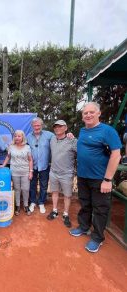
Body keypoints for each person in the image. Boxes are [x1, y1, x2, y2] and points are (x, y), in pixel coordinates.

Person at [70, 102, 122, 253]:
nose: (88, 115)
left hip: (100, 178)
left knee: (100, 209)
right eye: (85, 113)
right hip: (83, 177)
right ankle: (84, 227)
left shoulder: (107, 131)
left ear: (99, 113)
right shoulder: (82, 131)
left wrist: (107, 180)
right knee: (85, 204)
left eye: (92, 112)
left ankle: (97, 237)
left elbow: (116, 154)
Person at [47, 120, 77, 227]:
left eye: (60, 126)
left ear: (66, 128)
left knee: (67, 195)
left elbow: (80, 153)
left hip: (67, 173)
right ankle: (55, 211)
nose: (57, 128)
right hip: (54, 172)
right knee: (54, 192)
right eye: (55, 127)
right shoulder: (52, 139)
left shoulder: (72, 140)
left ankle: (65, 214)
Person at [1, 130, 33, 216]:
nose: (17, 138)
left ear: (22, 137)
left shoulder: (27, 147)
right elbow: (8, 157)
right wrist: (3, 165)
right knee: (17, 189)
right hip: (14, 171)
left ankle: (26, 205)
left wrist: (31, 171)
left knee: (26, 189)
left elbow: (30, 160)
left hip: (25, 172)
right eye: (15, 136)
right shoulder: (11, 147)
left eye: (19, 136)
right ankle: (18, 206)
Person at [27, 117, 54, 214]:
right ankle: (33, 202)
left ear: (42, 125)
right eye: (35, 125)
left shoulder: (50, 135)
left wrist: (69, 135)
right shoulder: (28, 136)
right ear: (32, 126)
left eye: (38, 125)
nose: (37, 127)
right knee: (32, 185)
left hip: (44, 165)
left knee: (44, 185)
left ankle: (41, 202)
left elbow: (60, 139)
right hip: (32, 167)